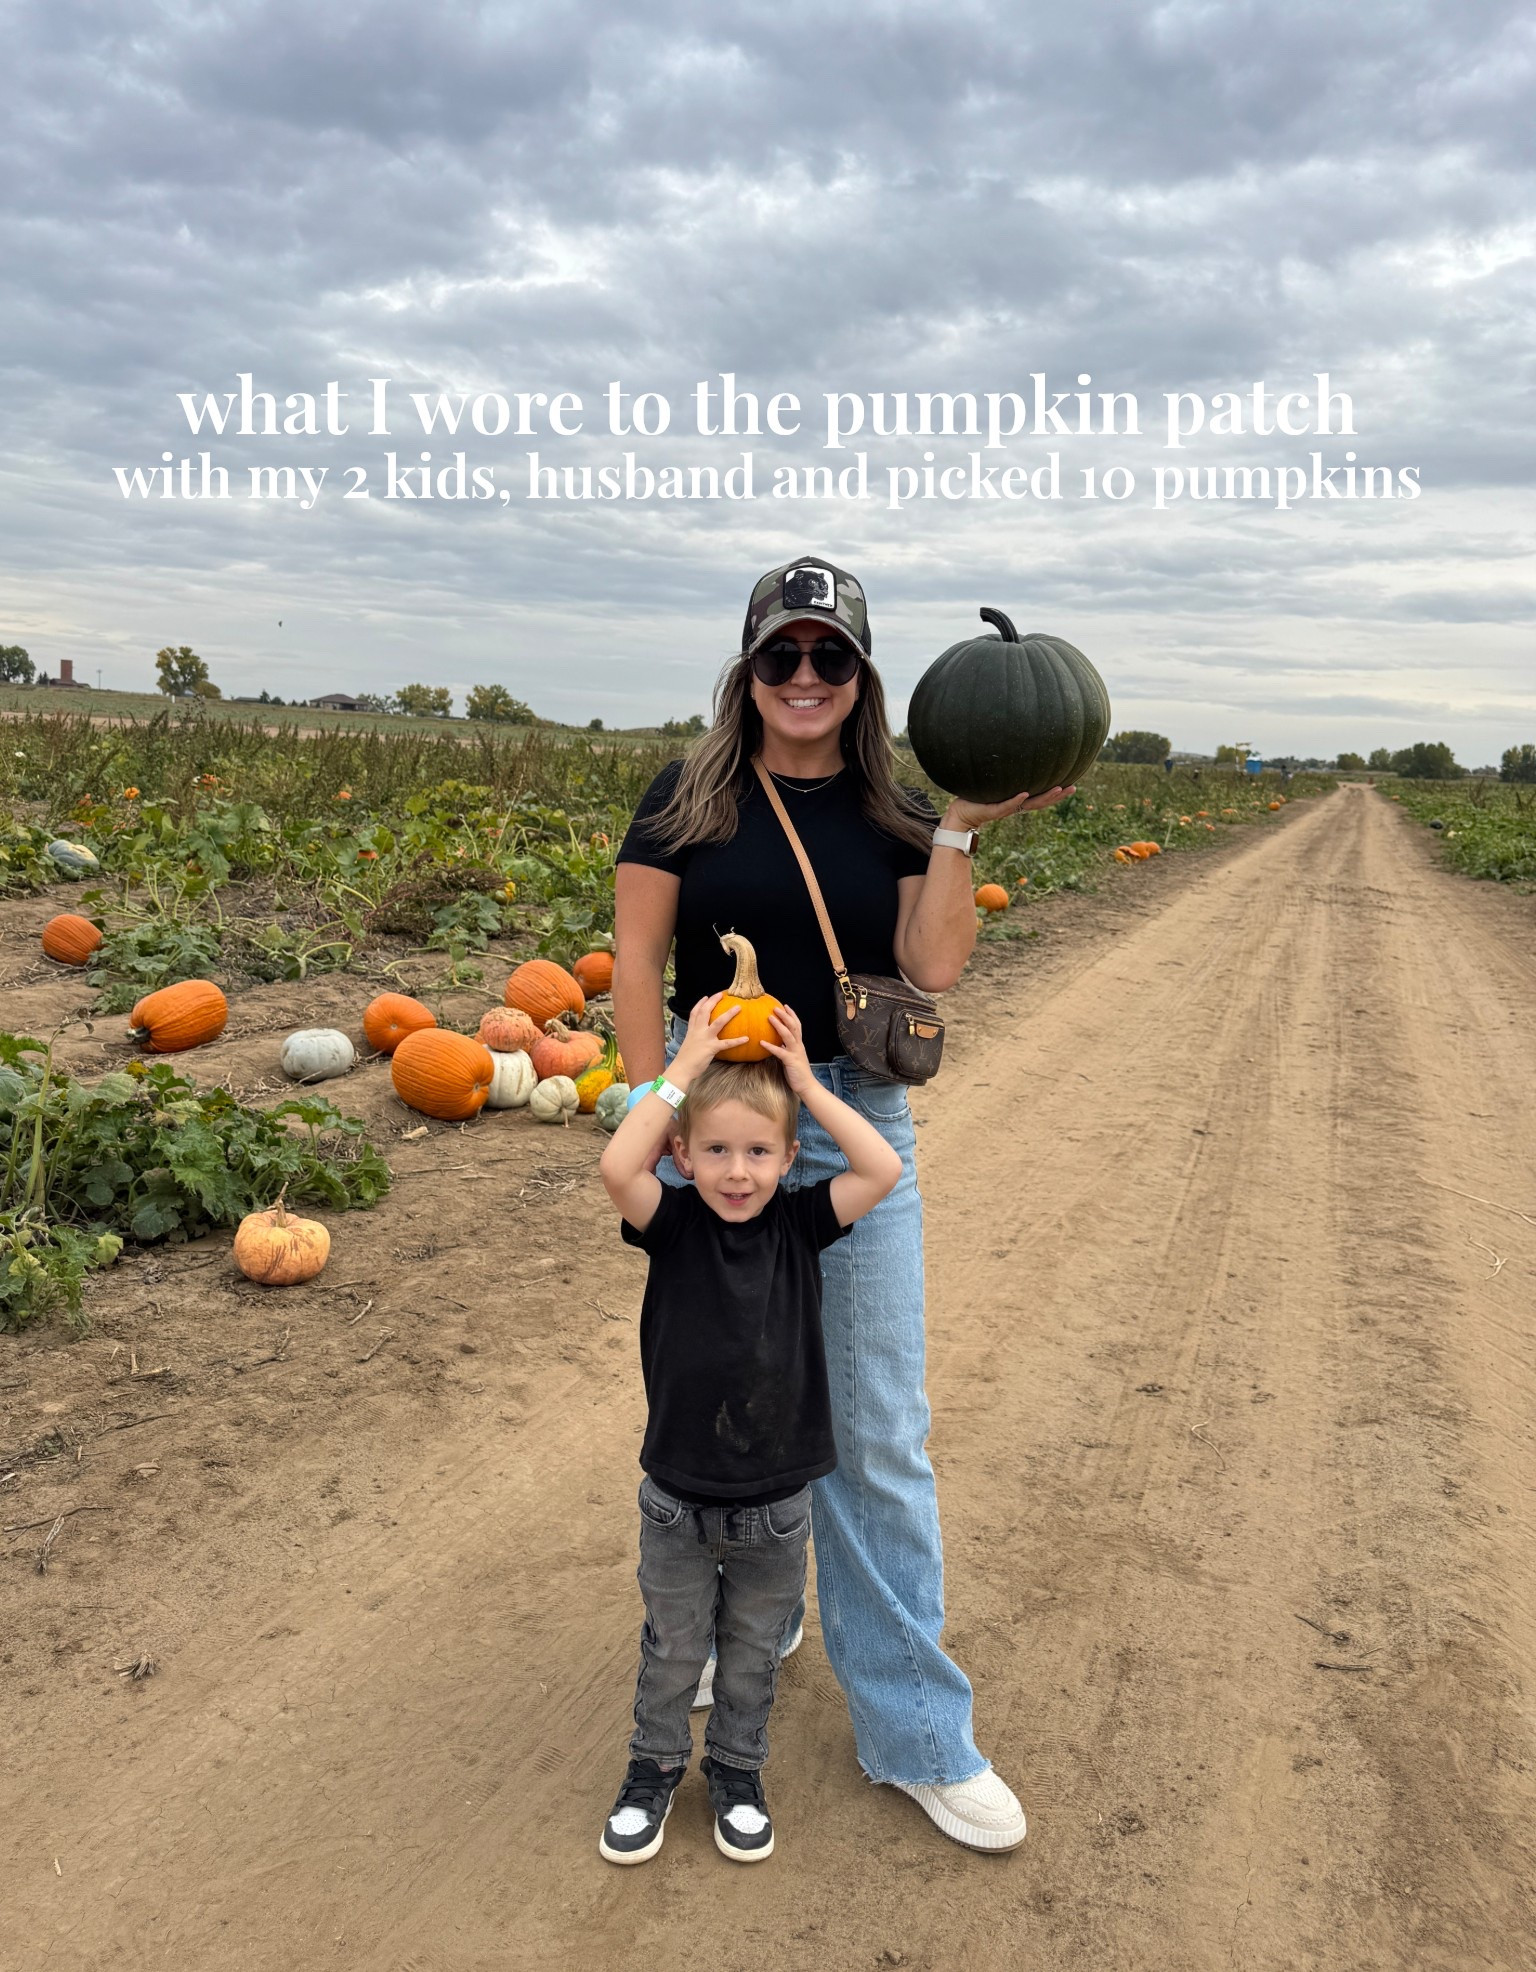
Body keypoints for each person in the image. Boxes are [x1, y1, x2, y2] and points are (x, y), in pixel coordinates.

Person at [612, 556, 1073, 1852]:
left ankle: (917, 1731)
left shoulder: (898, 810)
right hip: (719, 1141)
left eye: (831, 658)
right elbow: (639, 957)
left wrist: (962, 826)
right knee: (724, 1395)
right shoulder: (683, 801)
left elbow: (930, 967)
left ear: (862, 677)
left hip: (855, 1129)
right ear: (747, 670)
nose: (805, 679)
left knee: (873, 1427)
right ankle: (756, 1607)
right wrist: (649, 1124)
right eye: (782, 656)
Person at [596, 994, 902, 1865]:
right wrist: (681, 1070)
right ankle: (652, 1771)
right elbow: (620, 1167)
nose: (738, 1171)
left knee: (753, 1655)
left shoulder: (801, 1227)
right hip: (678, 1496)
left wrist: (804, 1078)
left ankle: (736, 1772)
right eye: (718, 1151)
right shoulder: (675, 1223)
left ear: (789, 1158)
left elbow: (879, 1169)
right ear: (683, 1157)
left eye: (760, 1152)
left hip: (776, 1501)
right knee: (673, 1651)